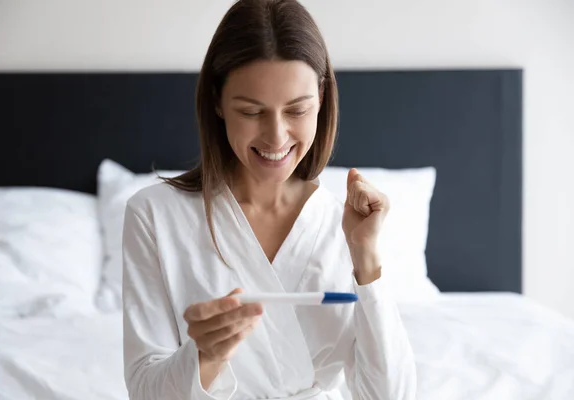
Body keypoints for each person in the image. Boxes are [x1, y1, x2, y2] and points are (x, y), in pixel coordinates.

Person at [121, 0, 417, 399]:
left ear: (323, 99)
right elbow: (144, 391)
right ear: (217, 102)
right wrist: (206, 356)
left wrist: (367, 262)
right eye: (251, 112)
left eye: (297, 110)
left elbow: (390, 396)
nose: (276, 138)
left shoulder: (344, 224)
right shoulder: (154, 216)